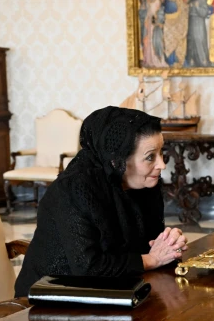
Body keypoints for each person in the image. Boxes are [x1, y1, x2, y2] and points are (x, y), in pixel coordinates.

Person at [14, 107, 188, 297]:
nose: (162, 164)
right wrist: (151, 259)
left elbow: (148, 246)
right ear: (116, 161)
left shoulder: (145, 185)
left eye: (161, 152)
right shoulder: (73, 189)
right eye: (150, 157)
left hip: (110, 292)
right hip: (45, 302)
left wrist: (168, 244)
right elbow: (88, 268)